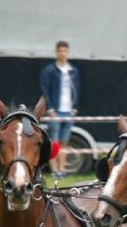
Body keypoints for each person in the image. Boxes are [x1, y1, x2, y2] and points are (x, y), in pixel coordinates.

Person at [39, 40, 80, 178]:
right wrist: (50, 109)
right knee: (54, 142)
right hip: (55, 111)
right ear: (57, 52)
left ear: (68, 53)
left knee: (64, 142)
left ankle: (62, 170)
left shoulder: (73, 71)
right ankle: (55, 171)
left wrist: (74, 108)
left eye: (65, 51)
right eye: (61, 51)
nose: (63, 53)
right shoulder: (50, 70)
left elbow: (77, 90)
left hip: (68, 112)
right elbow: (45, 90)